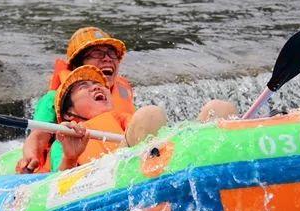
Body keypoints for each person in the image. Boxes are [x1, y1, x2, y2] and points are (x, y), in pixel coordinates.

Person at [44, 65, 237, 172]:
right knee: (150, 114)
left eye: (98, 84)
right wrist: (70, 157)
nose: (97, 87)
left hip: (158, 163)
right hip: (109, 178)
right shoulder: (66, 140)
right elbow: (55, 190)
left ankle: (219, 169)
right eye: (83, 86)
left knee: (219, 108)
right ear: (69, 114)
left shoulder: (129, 121)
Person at [16, 26, 135, 173]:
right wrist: (30, 158)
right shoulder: (56, 99)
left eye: (112, 53)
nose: (107, 58)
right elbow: (38, 136)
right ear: (77, 65)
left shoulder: (119, 92)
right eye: (97, 54)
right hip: (72, 151)